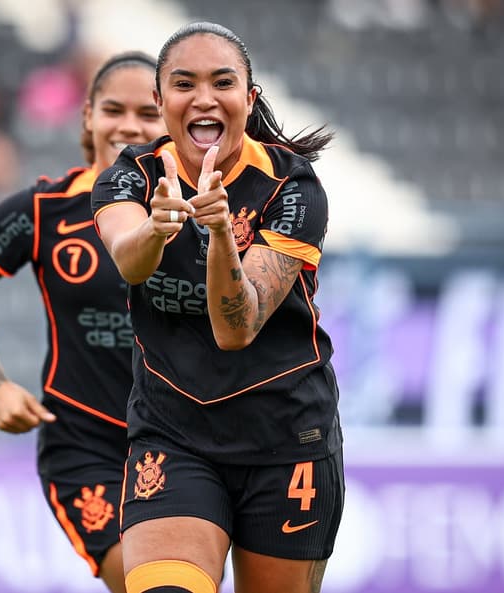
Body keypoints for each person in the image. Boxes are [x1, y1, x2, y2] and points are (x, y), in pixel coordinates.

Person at [91, 22, 344, 593]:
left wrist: (220, 234)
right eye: (184, 83)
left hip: (285, 440)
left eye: (221, 82)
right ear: (161, 104)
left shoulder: (293, 189)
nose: (203, 98)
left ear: (248, 99)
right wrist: (158, 230)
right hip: (173, 433)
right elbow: (130, 263)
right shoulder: (131, 178)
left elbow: (239, 327)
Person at [0, 51, 166, 593]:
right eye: (114, 109)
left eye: (148, 112)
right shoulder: (44, 210)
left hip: (179, 443)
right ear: (87, 115)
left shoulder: (201, 212)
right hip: (85, 447)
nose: (129, 125)